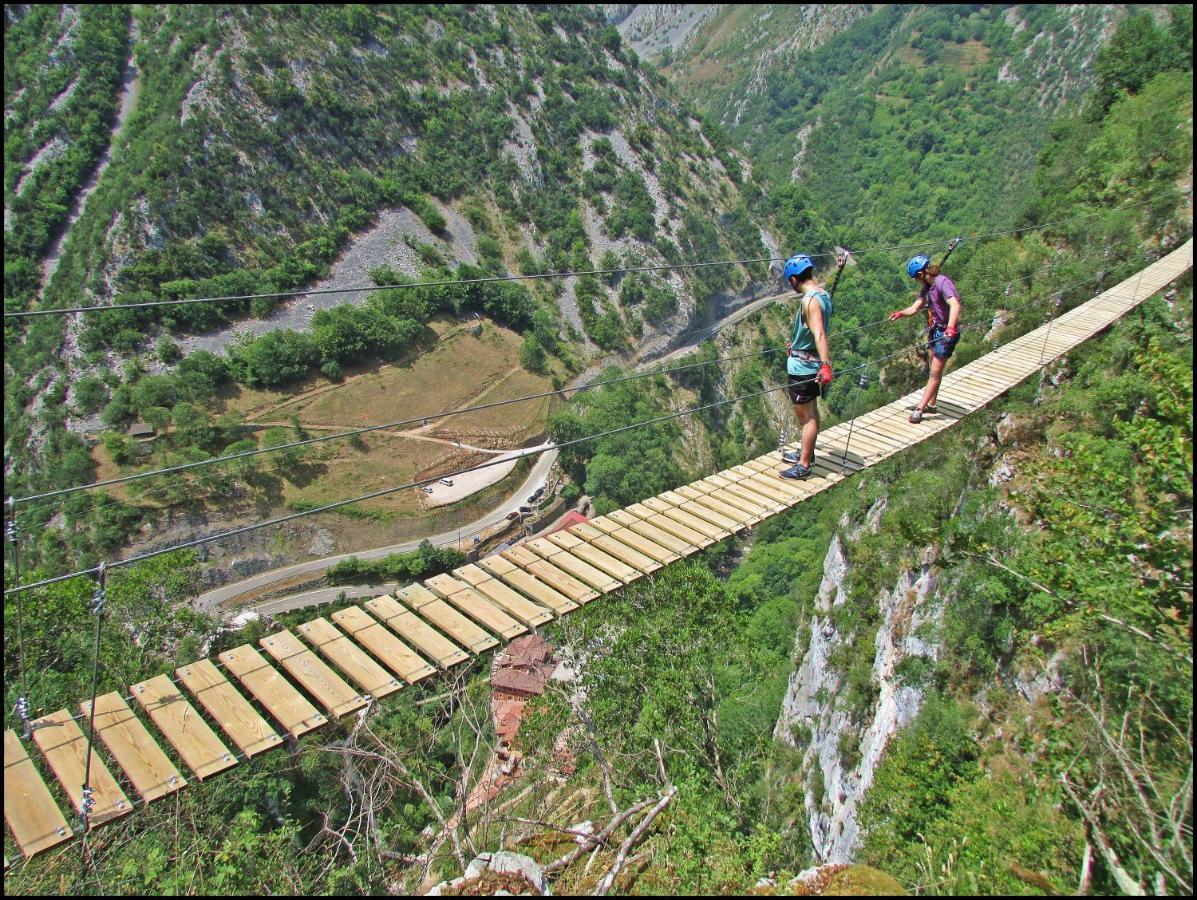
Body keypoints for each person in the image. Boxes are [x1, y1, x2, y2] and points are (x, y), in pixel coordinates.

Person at [779, 254, 834, 479]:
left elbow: (819, 333)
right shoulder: (823, 295)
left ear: (793, 279)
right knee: (812, 411)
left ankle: (804, 465)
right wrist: (797, 344)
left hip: (803, 367)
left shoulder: (809, 300)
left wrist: (826, 365)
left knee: (806, 417)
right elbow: (814, 330)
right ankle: (807, 453)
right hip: (808, 360)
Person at [889, 254, 962, 423]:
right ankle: (932, 403)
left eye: (916, 278)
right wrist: (901, 313)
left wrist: (950, 327)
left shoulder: (942, 282)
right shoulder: (927, 287)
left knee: (935, 372)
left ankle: (920, 409)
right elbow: (915, 308)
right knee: (932, 368)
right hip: (936, 331)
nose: (916, 281)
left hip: (946, 332)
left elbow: (955, 304)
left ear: (921, 274)